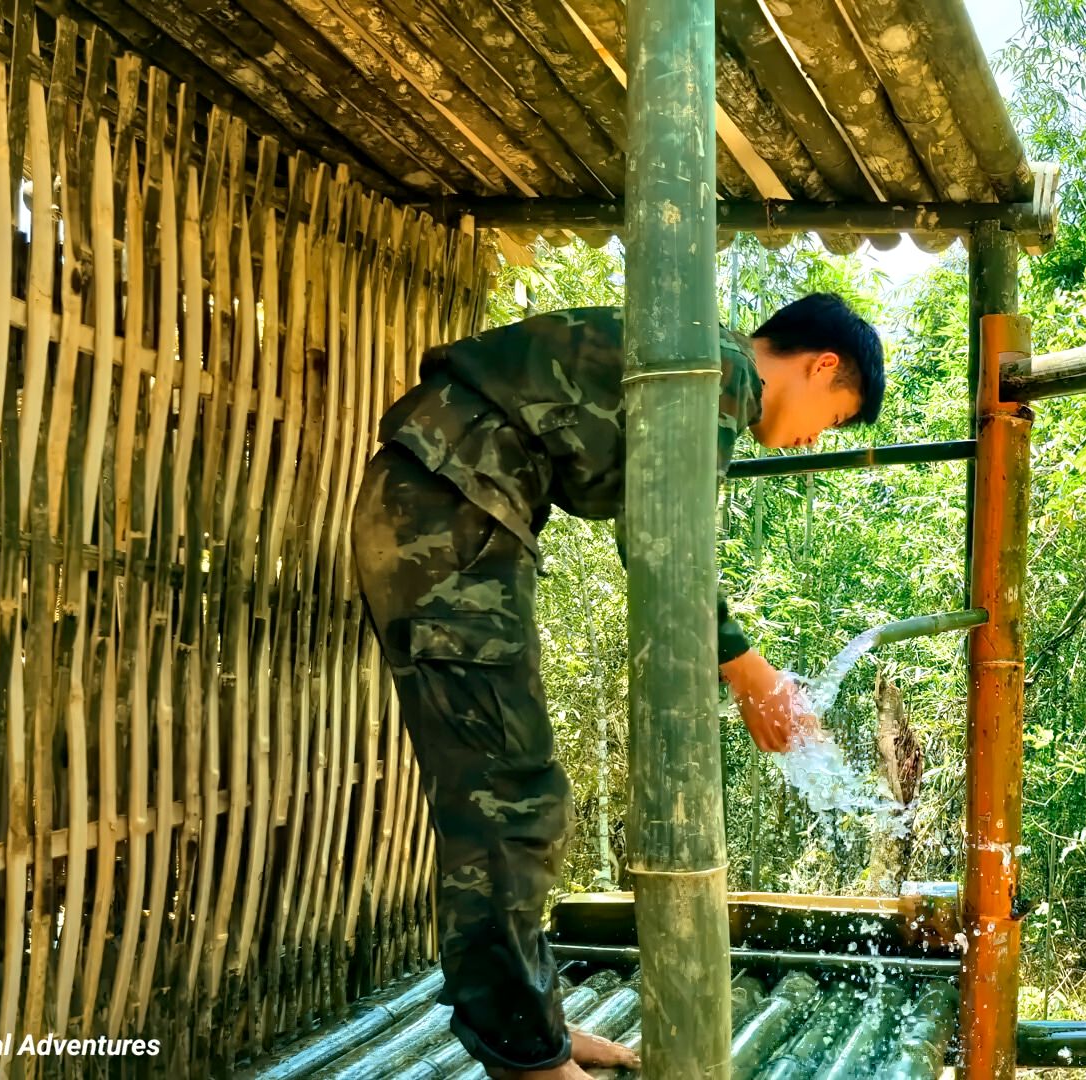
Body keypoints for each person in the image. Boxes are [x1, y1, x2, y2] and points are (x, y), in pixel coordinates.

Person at [349, 293, 885, 1079]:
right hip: (447, 509)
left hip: (438, 500)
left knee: (503, 789)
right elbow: (662, 539)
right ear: (821, 365)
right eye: (832, 417)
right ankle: (528, 1059)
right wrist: (750, 675)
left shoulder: (693, 346)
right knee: (508, 797)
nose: (814, 436)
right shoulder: (718, 371)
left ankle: (535, 1034)